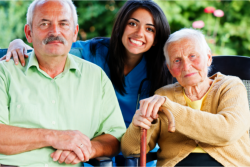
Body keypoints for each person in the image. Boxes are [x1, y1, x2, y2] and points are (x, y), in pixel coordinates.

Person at [0, 0, 126, 166]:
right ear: (29, 33)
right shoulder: (5, 72)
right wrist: (54, 137)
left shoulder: (96, 77)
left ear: (74, 32)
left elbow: (115, 136)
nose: (55, 31)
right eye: (44, 23)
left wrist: (87, 149)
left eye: (63, 24)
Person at [121, 28, 250, 167]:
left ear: (208, 58)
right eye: (177, 60)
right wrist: (137, 126)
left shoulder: (231, 86)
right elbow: (130, 150)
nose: (186, 67)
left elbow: (228, 131)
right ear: (170, 69)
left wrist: (169, 108)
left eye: (193, 56)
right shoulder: (163, 95)